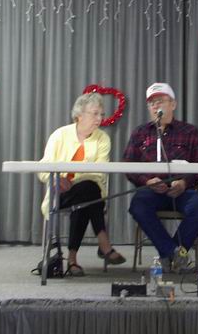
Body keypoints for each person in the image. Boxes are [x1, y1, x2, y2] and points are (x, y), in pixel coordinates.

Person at [124, 83, 198, 272]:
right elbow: (128, 166)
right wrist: (147, 181)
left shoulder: (189, 132)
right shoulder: (140, 133)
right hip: (151, 190)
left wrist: (184, 182)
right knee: (138, 205)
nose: (156, 106)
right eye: (152, 103)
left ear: (173, 104)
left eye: (160, 101)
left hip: (181, 190)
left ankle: (170, 255)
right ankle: (173, 253)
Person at [38, 92, 125, 277]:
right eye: (95, 113)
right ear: (79, 115)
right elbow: (43, 169)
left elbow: (99, 173)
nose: (99, 118)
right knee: (89, 194)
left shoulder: (103, 139)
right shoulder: (60, 135)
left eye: (101, 114)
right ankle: (103, 245)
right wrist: (56, 180)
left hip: (89, 192)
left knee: (87, 193)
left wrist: (77, 180)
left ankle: (73, 260)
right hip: (60, 194)